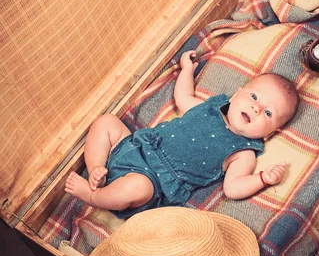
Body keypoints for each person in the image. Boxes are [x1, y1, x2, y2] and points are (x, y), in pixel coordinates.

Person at [65, 51, 299, 218]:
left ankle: (94, 196)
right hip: (137, 147)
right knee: (106, 122)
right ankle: (97, 168)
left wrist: (263, 179)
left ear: (270, 133)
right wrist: (187, 70)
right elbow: (183, 98)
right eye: (254, 97)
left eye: (268, 113)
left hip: (155, 182)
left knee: (135, 189)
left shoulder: (243, 152)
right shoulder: (211, 107)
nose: (256, 108)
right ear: (237, 94)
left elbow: (233, 188)